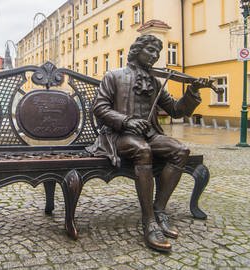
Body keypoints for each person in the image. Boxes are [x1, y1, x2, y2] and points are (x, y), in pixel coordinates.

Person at [87, 35, 210, 252]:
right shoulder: (113, 76)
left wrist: (193, 91)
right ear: (137, 50)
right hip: (118, 136)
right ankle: (148, 221)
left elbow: (176, 110)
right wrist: (126, 121)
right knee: (142, 150)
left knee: (180, 150)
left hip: (149, 135)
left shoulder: (155, 82)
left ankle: (159, 209)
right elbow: (100, 108)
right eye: (151, 50)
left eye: (157, 53)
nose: (155, 56)